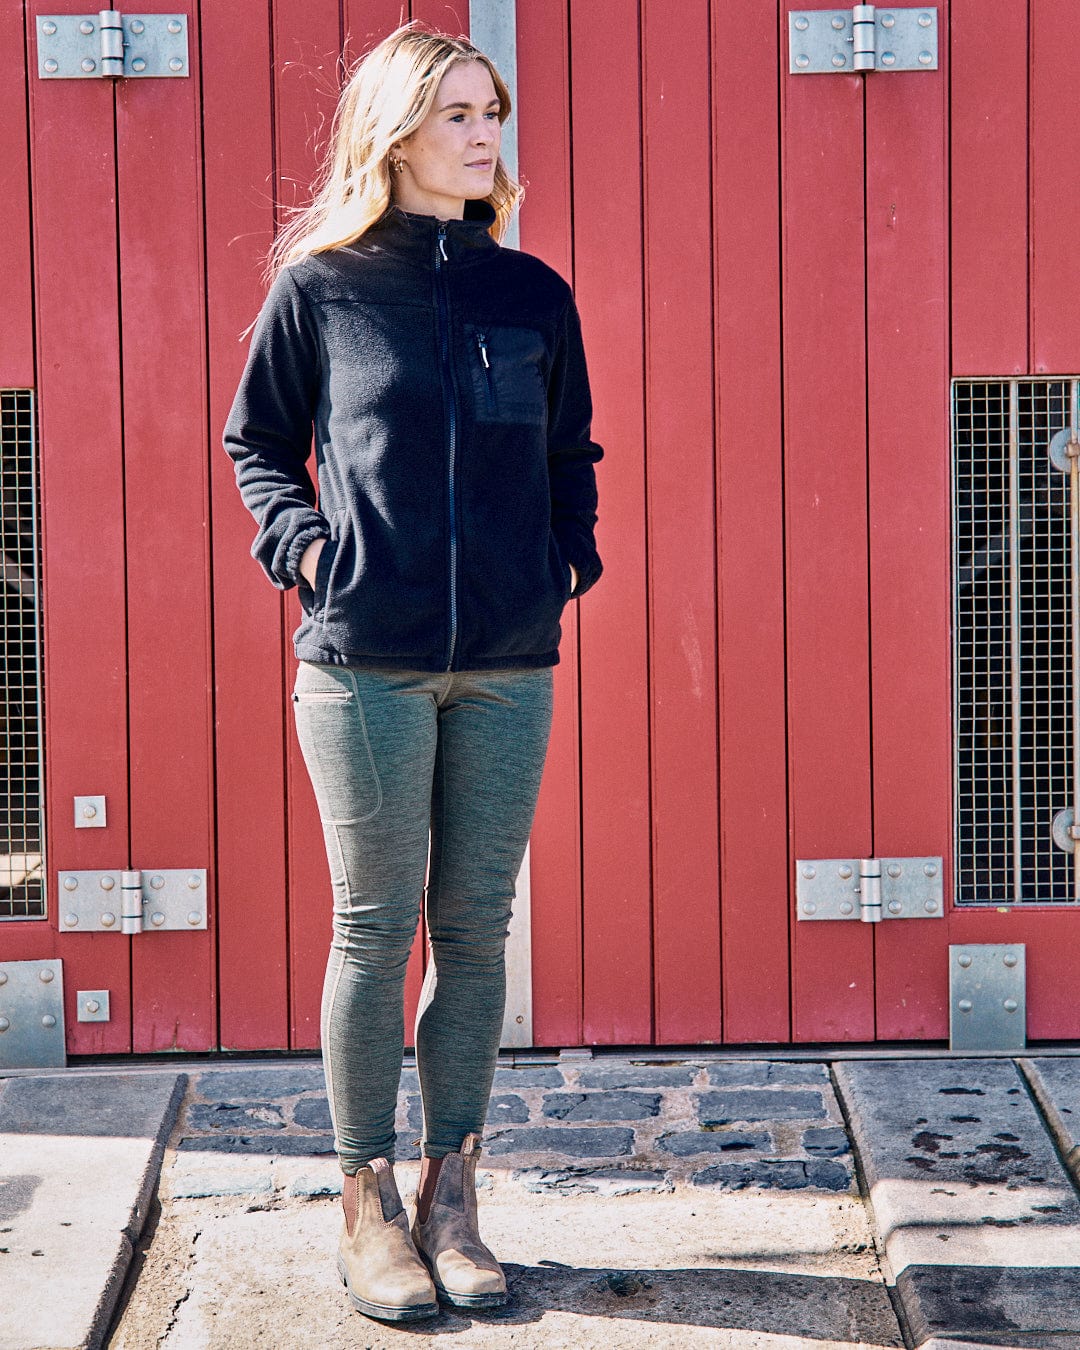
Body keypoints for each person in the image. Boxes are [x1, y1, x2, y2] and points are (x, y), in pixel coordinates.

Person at [222, 21, 603, 1325]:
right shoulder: (322, 290)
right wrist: (307, 546)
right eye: (457, 113)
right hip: (362, 662)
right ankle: (364, 1200)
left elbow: (571, 455)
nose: (486, 132)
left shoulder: (531, 295)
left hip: (506, 660)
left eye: (492, 109)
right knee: (375, 928)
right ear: (395, 132)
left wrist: (565, 561)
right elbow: (257, 442)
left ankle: (456, 1191)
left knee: (478, 930)